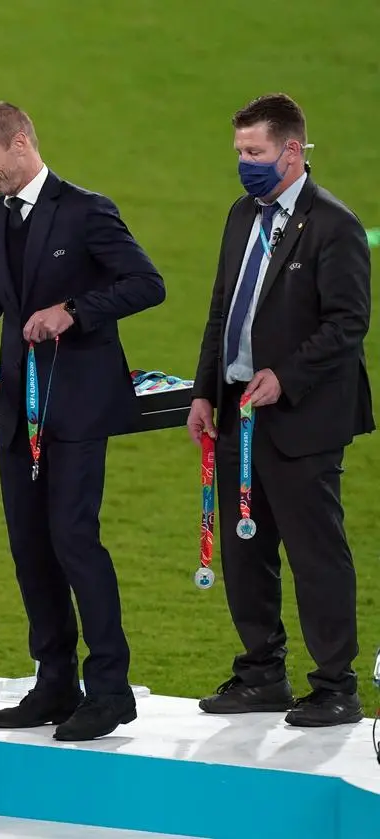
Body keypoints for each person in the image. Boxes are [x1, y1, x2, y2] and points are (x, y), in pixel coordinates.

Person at [0, 101, 165, 741]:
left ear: (22, 144)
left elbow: (147, 283)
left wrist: (73, 309)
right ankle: (55, 682)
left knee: (73, 540)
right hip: (19, 411)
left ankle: (111, 690)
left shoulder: (87, 210)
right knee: (30, 546)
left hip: (79, 408)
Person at [187, 93, 373, 727]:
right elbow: (223, 310)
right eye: (240, 152)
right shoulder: (242, 215)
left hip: (302, 419)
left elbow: (349, 324)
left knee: (315, 550)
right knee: (247, 546)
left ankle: (335, 685)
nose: (245, 164)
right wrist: (204, 391)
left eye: (256, 153)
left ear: (292, 151)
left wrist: (284, 377)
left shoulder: (333, 225)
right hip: (239, 411)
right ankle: (261, 673)